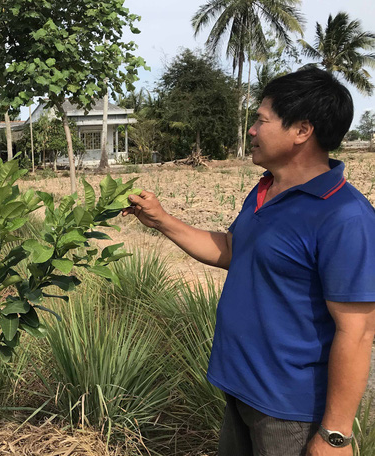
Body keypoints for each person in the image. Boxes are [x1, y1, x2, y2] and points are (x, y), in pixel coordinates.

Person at [123, 67, 375, 455]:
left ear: (302, 131)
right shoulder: (265, 190)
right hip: (240, 391)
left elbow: (357, 332)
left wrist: (334, 436)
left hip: (289, 413)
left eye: (261, 120)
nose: (252, 130)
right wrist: (161, 220)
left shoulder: (345, 216)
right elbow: (232, 250)